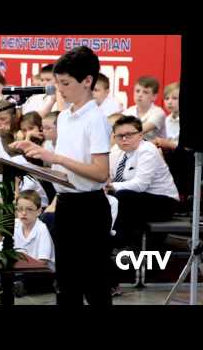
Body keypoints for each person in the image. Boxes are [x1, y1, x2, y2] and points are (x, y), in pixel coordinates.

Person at [10, 46, 113, 305]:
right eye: (58, 83)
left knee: (95, 285)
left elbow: (101, 173)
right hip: (65, 204)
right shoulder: (64, 118)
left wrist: (56, 158)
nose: (60, 90)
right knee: (66, 285)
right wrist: (34, 160)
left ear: (87, 81)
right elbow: (63, 172)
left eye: (65, 83)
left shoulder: (96, 119)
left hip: (90, 207)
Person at [107, 115, 179, 250]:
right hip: (139, 198)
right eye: (119, 136)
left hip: (164, 202)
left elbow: (140, 185)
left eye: (129, 135)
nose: (124, 139)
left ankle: (119, 242)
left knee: (123, 197)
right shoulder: (117, 151)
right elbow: (107, 176)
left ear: (140, 135)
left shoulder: (147, 150)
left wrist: (110, 186)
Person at [123, 76, 166, 141]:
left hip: (155, 149)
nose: (140, 95)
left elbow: (140, 131)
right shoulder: (127, 112)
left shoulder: (159, 113)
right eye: (137, 91)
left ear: (154, 96)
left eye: (145, 92)